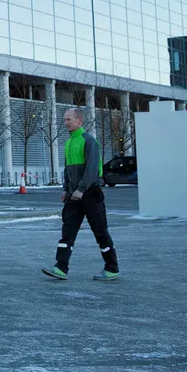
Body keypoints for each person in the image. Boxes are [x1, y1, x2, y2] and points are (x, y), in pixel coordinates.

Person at [42, 107, 120, 281]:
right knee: (67, 232)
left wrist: (81, 189)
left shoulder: (89, 141)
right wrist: (66, 189)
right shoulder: (69, 143)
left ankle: (112, 268)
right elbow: (68, 170)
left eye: (68, 119)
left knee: (100, 232)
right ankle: (60, 268)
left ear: (79, 121)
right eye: (65, 119)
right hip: (73, 196)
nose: (65, 122)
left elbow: (93, 169)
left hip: (90, 194)